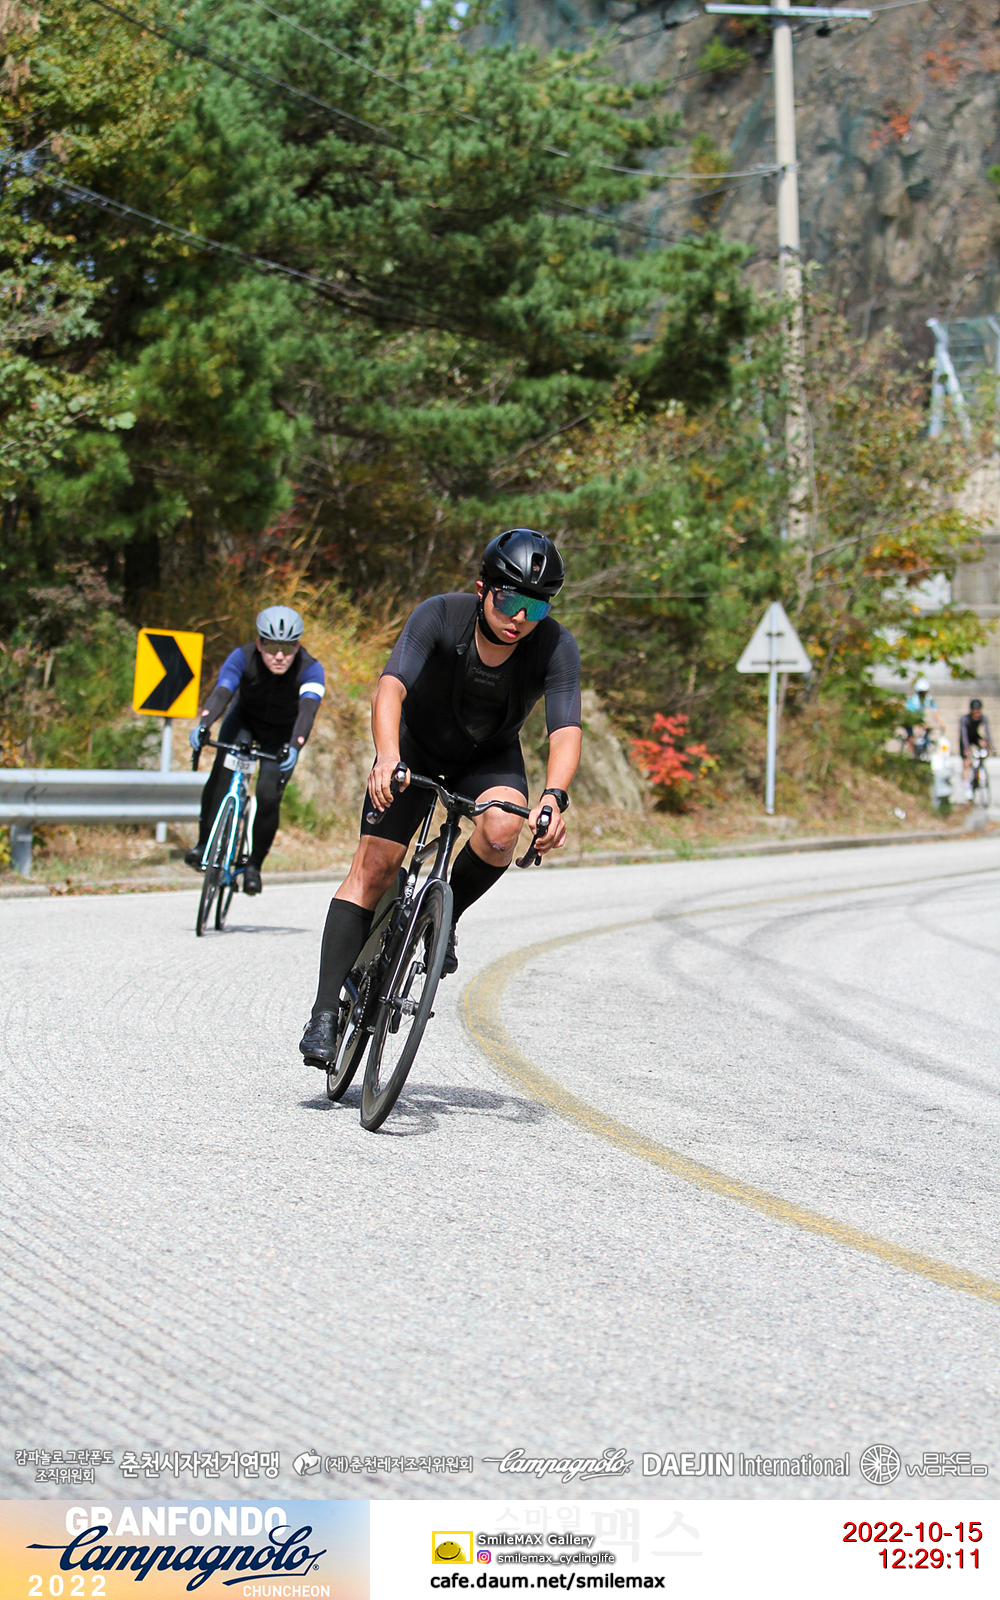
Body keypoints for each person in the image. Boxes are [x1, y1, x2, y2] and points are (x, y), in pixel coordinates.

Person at [299, 528, 582, 1067]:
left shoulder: (555, 645)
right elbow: (391, 686)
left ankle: (443, 918)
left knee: (502, 831)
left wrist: (553, 797)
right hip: (414, 749)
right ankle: (324, 1012)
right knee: (375, 867)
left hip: (488, 758)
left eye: (536, 607)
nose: (520, 617)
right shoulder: (440, 614)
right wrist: (386, 756)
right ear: (483, 589)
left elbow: (565, 727)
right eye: (509, 600)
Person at [185, 606, 326, 895]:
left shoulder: (311, 669)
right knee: (221, 774)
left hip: (282, 734)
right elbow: (223, 690)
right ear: (260, 644)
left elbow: (308, 711)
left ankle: (254, 866)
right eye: (272, 647)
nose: (279, 655)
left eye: (287, 648)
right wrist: (204, 724)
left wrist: (295, 746)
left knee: (268, 794)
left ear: (298, 645)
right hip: (243, 723)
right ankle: (204, 844)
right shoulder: (242, 656)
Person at [959, 697, 994, 799]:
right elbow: (964, 735)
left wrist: (991, 746)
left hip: (975, 737)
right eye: (975, 712)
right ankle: (967, 788)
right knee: (966, 763)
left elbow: (987, 732)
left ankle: (979, 768)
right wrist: (966, 748)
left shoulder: (983, 718)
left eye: (978, 712)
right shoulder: (964, 719)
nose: (977, 715)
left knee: (983, 744)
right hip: (965, 740)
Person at [902, 675, 944, 756]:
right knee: (911, 737)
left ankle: (923, 752)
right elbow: (911, 716)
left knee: (926, 732)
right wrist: (920, 724)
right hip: (909, 719)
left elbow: (934, 711)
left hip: (918, 719)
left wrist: (940, 723)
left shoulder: (929, 699)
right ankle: (912, 755)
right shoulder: (914, 701)